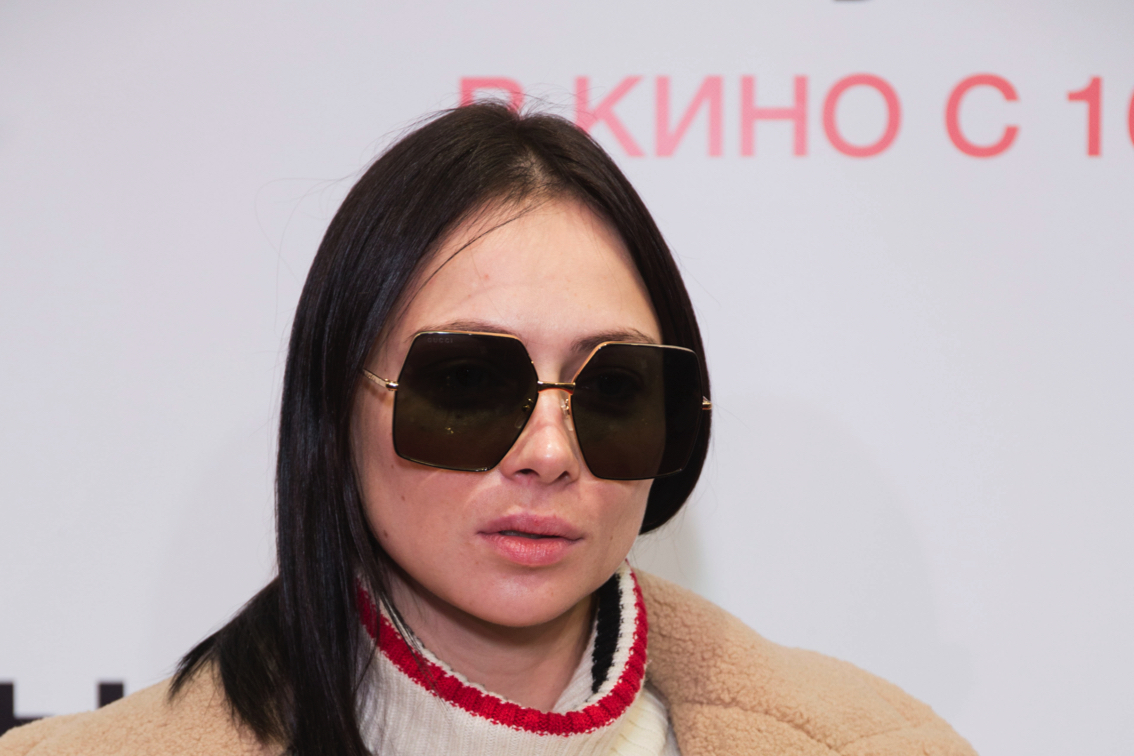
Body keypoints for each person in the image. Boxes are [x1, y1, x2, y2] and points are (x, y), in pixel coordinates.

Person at [0, 104, 976, 756]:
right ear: (338, 405)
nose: (548, 454)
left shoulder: (878, 745)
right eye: (467, 382)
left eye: (612, 389)